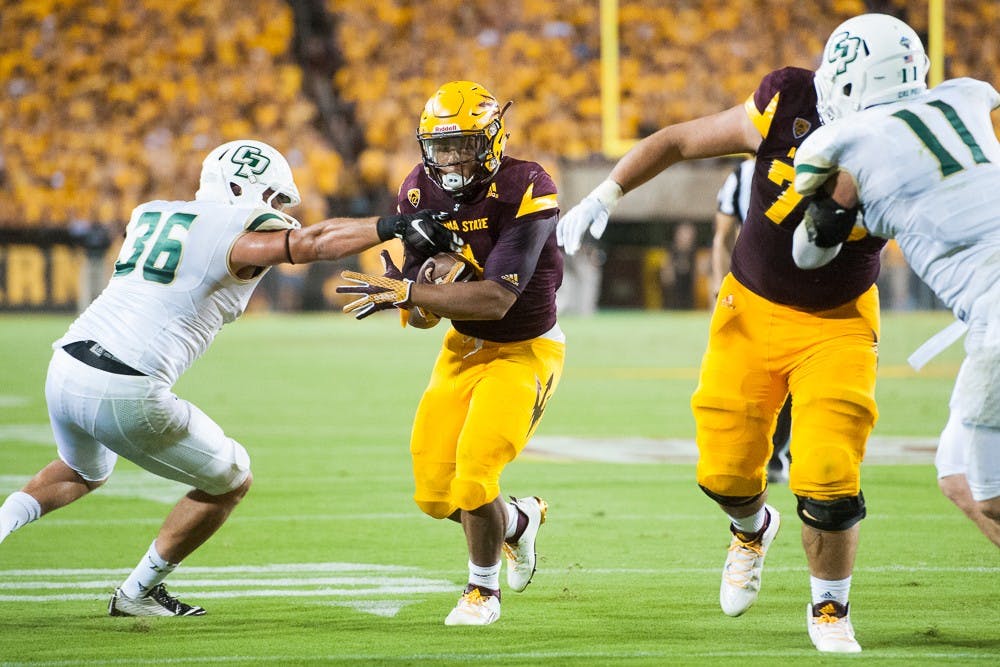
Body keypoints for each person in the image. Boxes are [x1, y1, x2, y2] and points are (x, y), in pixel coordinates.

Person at [555, 14, 918, 655]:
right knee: (723, 471)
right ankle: (752, 530)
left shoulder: (916, 146)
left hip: (838, 323)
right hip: (747, 307)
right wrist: (606, 193)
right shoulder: (788, 100)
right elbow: (677, 141)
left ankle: (829, 608)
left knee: (830, 471)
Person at [0, 139, 461, 616]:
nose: (279, 211)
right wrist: (393, 225)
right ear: (240, 186)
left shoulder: (151, 212)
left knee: (80, 469)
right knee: (232, 479)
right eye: (273, 199)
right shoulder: (233, 225)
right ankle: (137, 594)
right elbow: (309, 244)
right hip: (127, 383)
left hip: (68, 365)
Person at [336, 81, 563, 626]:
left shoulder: (527, 186)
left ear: (491, 140)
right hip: (462, 349)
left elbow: (497, 297)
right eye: (441, 146)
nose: (451, 158)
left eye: (462, 144)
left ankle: (482, 591)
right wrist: (406, 296)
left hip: (524, 349)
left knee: (475, 475)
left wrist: (416, 292)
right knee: (435, 494)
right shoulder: (418, 191)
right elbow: (422, 316)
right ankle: (515, 524)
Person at [790, 20, 1000, 550]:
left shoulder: (843, 141)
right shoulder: (966, 98)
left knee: (990, 492)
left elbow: (807, 254)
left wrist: (834, 211)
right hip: (988, 316)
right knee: (958, 476)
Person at [712, 158, 792, 484]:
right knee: (747, 370)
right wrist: (720, 285)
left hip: (801, 285)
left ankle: (778, 452)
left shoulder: (813, 155)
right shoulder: (742, 174)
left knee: (790, 371)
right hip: (754, 286)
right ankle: (753, 450)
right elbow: (721, 236)